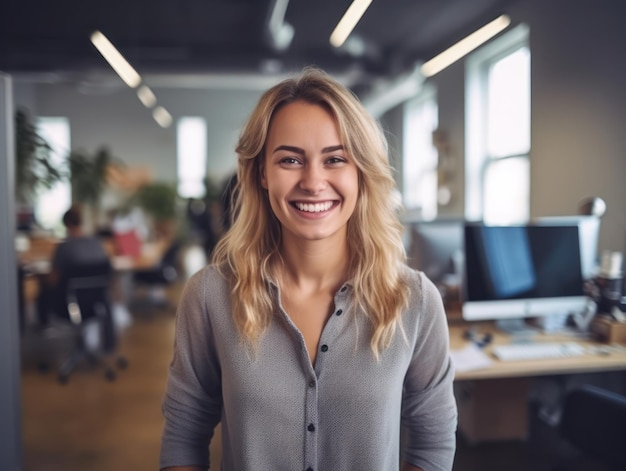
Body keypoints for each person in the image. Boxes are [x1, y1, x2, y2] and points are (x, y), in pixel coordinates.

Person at [159, 67, 457, 471]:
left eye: (335, 159)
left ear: (360, 172)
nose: (314, 181)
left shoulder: (414, 300)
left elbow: (433, 441)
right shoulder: (211, 295)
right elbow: (184, 434)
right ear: (262, 172)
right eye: (290, 160)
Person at [36, 205, 111, 327]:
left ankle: (44, 327)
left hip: (70, 301)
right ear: (81, 221)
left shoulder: (65, 248)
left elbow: (54, 278)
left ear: (66, 224)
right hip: (97, 299)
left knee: (44, 288)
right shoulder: (96, 243)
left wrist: (42, 279)